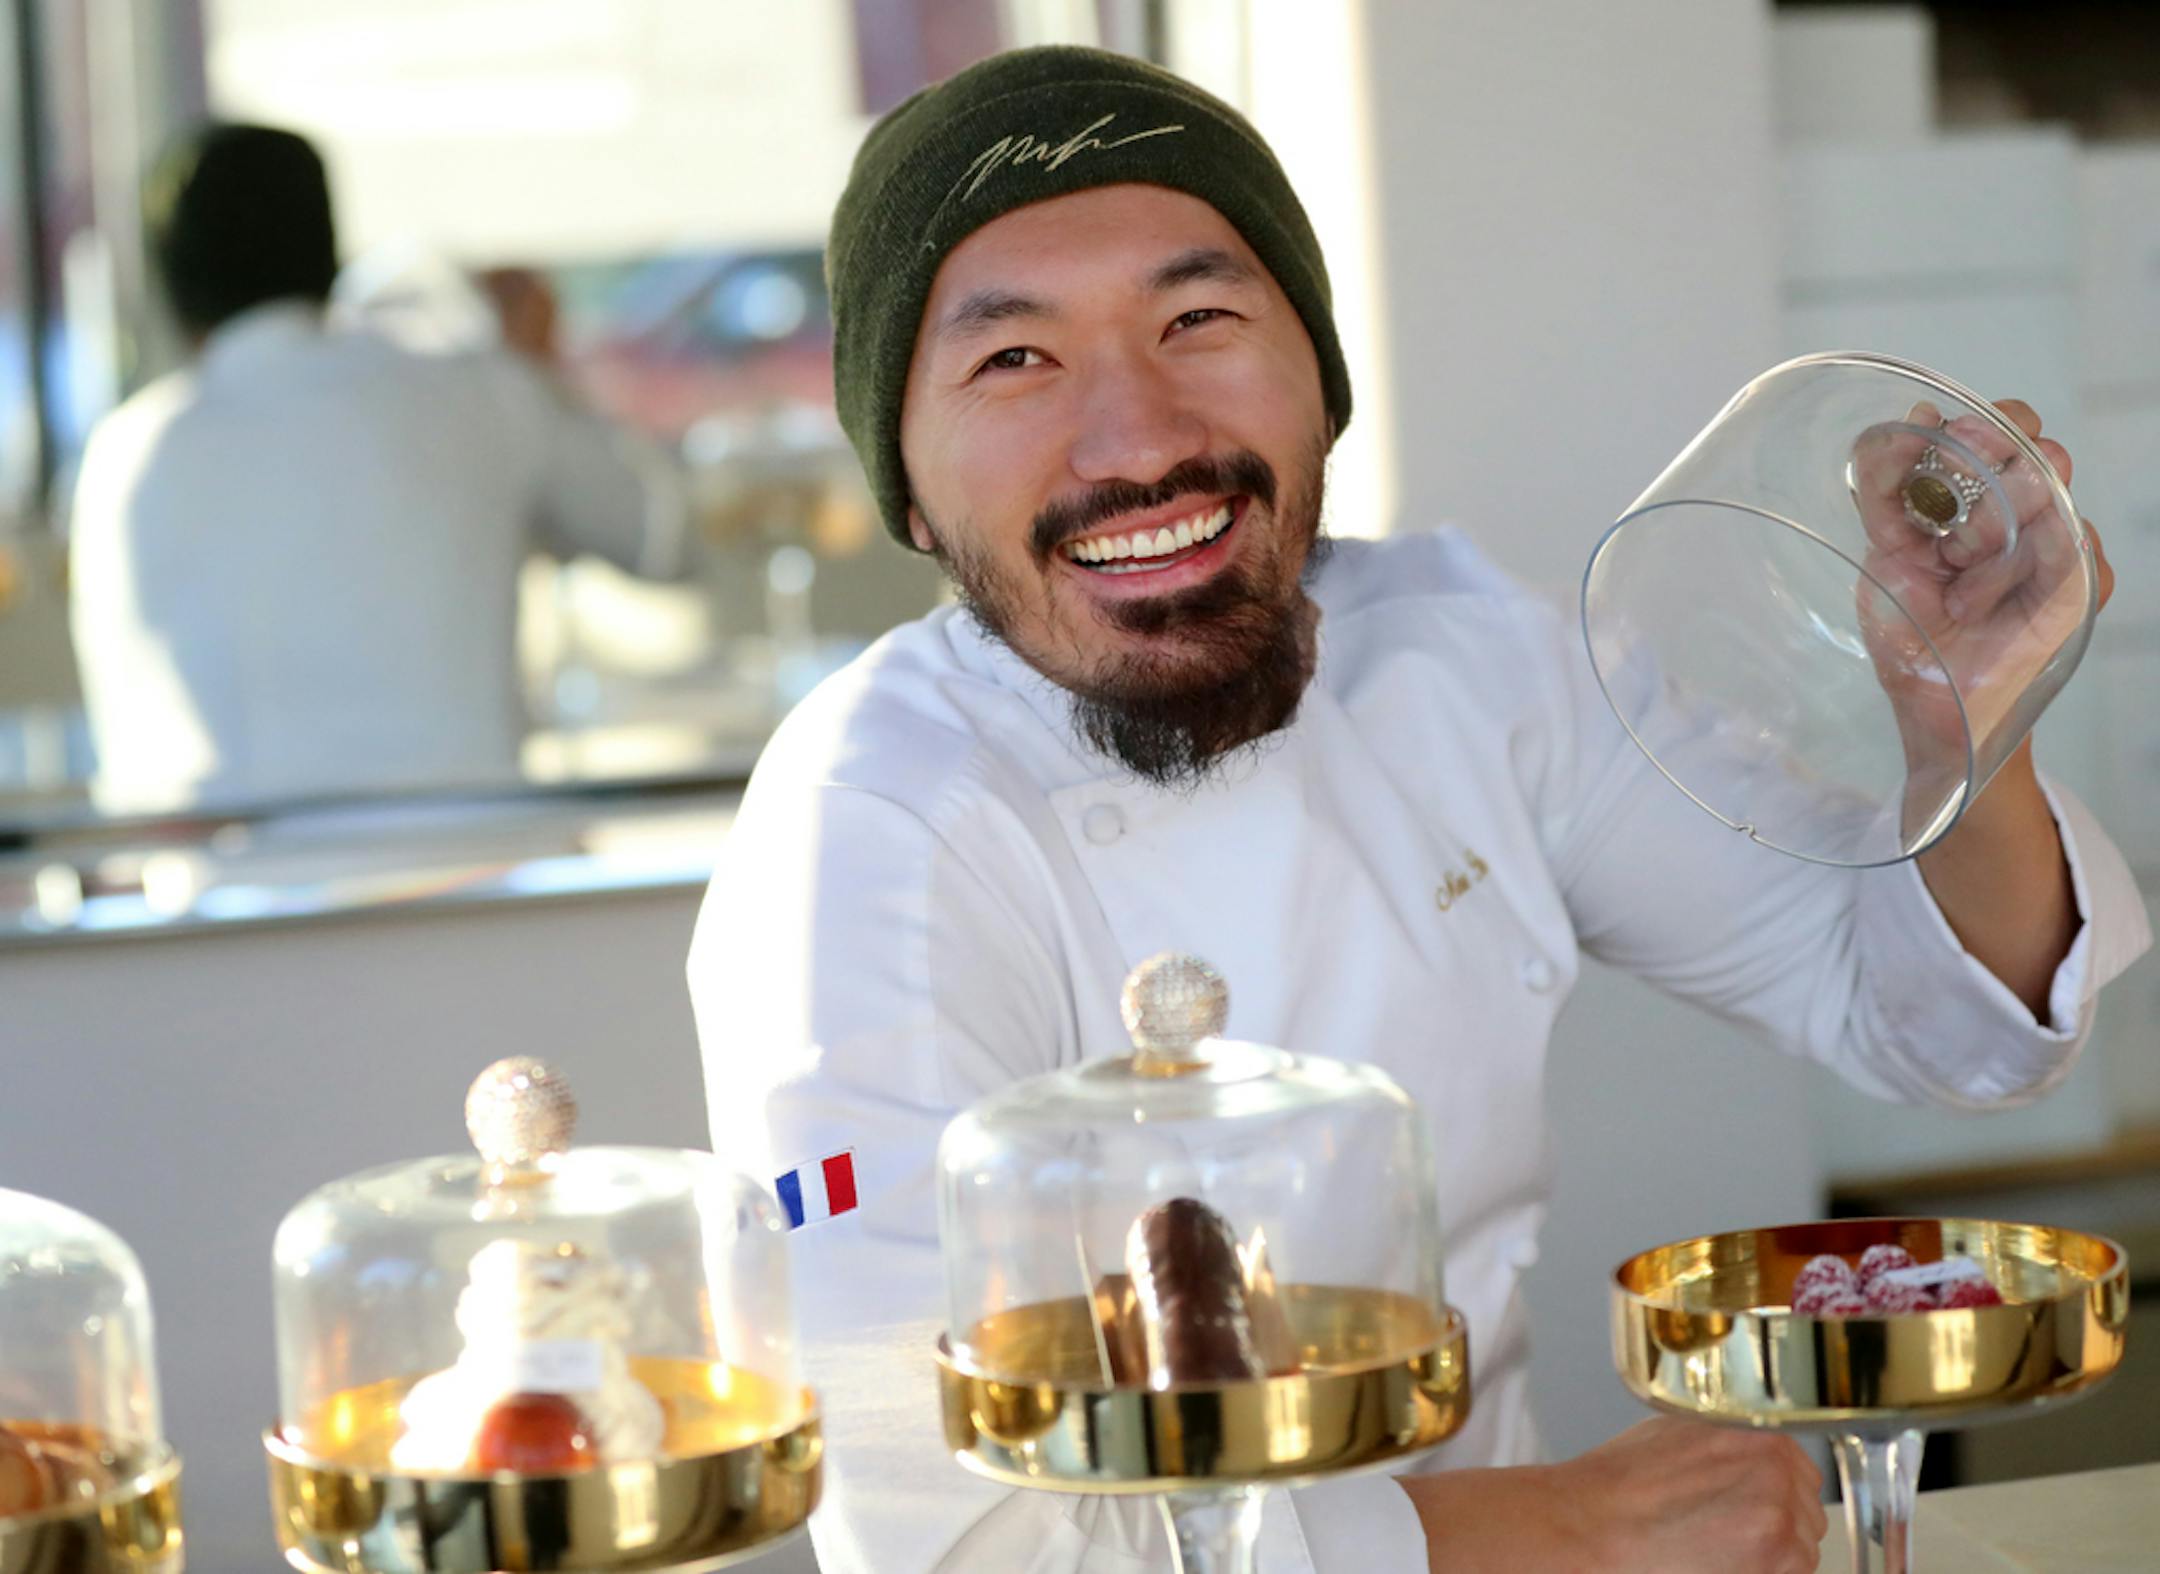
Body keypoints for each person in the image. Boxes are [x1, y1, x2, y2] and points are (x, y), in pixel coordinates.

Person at [689, 46, 2150, 1573]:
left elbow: (1930, 1020)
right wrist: (1567, 1530)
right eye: (1014, 360)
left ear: (1320, 381)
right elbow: (949, 1536)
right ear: (909, 491)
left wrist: (1961, 733)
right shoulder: (867, 833)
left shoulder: (1460, 660)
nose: (1135, 434)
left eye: (1199, 318)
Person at [68, 124, 684, 813]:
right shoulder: (478, 392)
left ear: (170, 286)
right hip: (478, 882)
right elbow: (659, 537)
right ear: (329, 248)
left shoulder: (123, 457)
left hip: (223, 903)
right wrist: (538, 371)